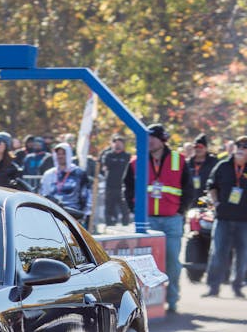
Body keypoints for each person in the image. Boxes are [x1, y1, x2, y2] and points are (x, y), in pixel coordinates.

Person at [124, 123, 193, 313]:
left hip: (172, 220)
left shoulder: (179, 160)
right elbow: (127, 187)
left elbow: (188, 188)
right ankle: (147, 303)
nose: (149, 141)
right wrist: (133, 209)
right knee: (145, 264)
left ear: (163, 139)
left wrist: (181, 211)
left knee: (172, 262)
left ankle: (172, 300)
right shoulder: (136, 161)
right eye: (147, 137)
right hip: (146, 221)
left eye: (153, 137)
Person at [201, 135, 247, 298]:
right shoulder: (223, 166)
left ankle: (237, 287)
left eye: (245, 147)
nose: (241, 149)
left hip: (244, 221)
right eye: (239, 145)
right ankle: (213, 288)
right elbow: (211, 185)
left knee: (242, 256)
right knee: (218, 253)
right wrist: (216, 202)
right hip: (223, 218)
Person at [40, 142, 92, 227]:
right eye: (58, 154)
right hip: (53, 213)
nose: (60, 156)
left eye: (63, 154)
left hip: (73, 214)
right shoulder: (48, 174)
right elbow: (43, 194)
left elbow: (86, 195)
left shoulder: (79, 173)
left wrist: (87, 214)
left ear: (69, 154)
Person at [99, 134, 132, 226]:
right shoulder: (108, 155)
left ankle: (126, 223)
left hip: (123, 185)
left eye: (120, 144)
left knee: (124, 206)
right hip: (110, 185)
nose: (118, 146)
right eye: (116, 144)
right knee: (109, 205)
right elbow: (104, 164)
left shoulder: (127, 156)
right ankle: (109, 223)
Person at [187, 134, 218, 201]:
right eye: (196, 146)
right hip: (191, 200)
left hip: (208, 199)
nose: (198, 149)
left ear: (206, 148)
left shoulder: (214, 162)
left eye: (200, 147)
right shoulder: (188, 163)